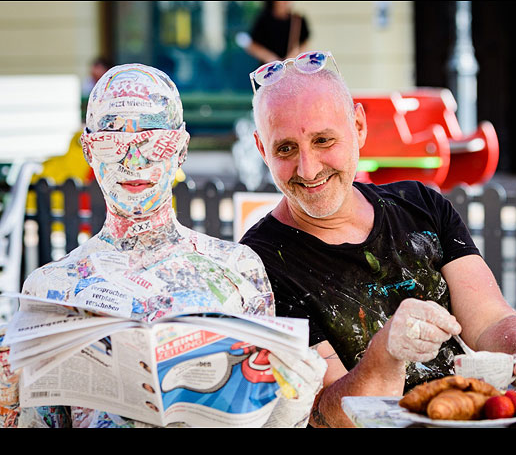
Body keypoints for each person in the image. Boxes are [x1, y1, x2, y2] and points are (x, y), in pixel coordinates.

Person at [240, 50, 516, 428]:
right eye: (286, 149)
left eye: (324, 140)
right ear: (262, 149)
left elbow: (490, 318)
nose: (308, 169)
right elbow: (326, 414)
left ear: (358, 126)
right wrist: (387, 352)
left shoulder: (420, 205)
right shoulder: (256, 263)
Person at [13, 63, 326, 428]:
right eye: (112, 142)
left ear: (180, 149)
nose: (133, 162)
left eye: (152, 142)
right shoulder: (51, 287)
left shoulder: (237, 270)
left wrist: (296, 398)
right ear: (88, 151)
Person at [246, 1, 310, 65]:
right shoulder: (263, 20)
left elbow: (304, 43)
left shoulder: (297, 20)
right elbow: (252, 45)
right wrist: (269, 57)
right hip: (269, 69)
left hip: (290, 67)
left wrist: (293, 56)